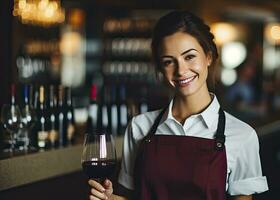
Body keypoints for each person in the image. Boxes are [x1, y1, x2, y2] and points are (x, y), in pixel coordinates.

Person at [88, 10, 268, 200]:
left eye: (189, 57)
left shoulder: (242, 136)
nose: (181, 70)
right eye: (168, 62)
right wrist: (109, 198)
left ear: (208, 56)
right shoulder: (139, 127)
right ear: (160, 69)